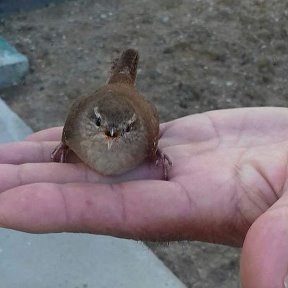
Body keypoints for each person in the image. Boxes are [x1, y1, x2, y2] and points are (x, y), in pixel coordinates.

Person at [0, 107, 287, 288]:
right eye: (102, 126)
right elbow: (72, 128)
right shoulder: (78, 123)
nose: (111, 134)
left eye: (123, 130)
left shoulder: (146, 133)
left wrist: (154, 149)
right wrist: (65, 144)